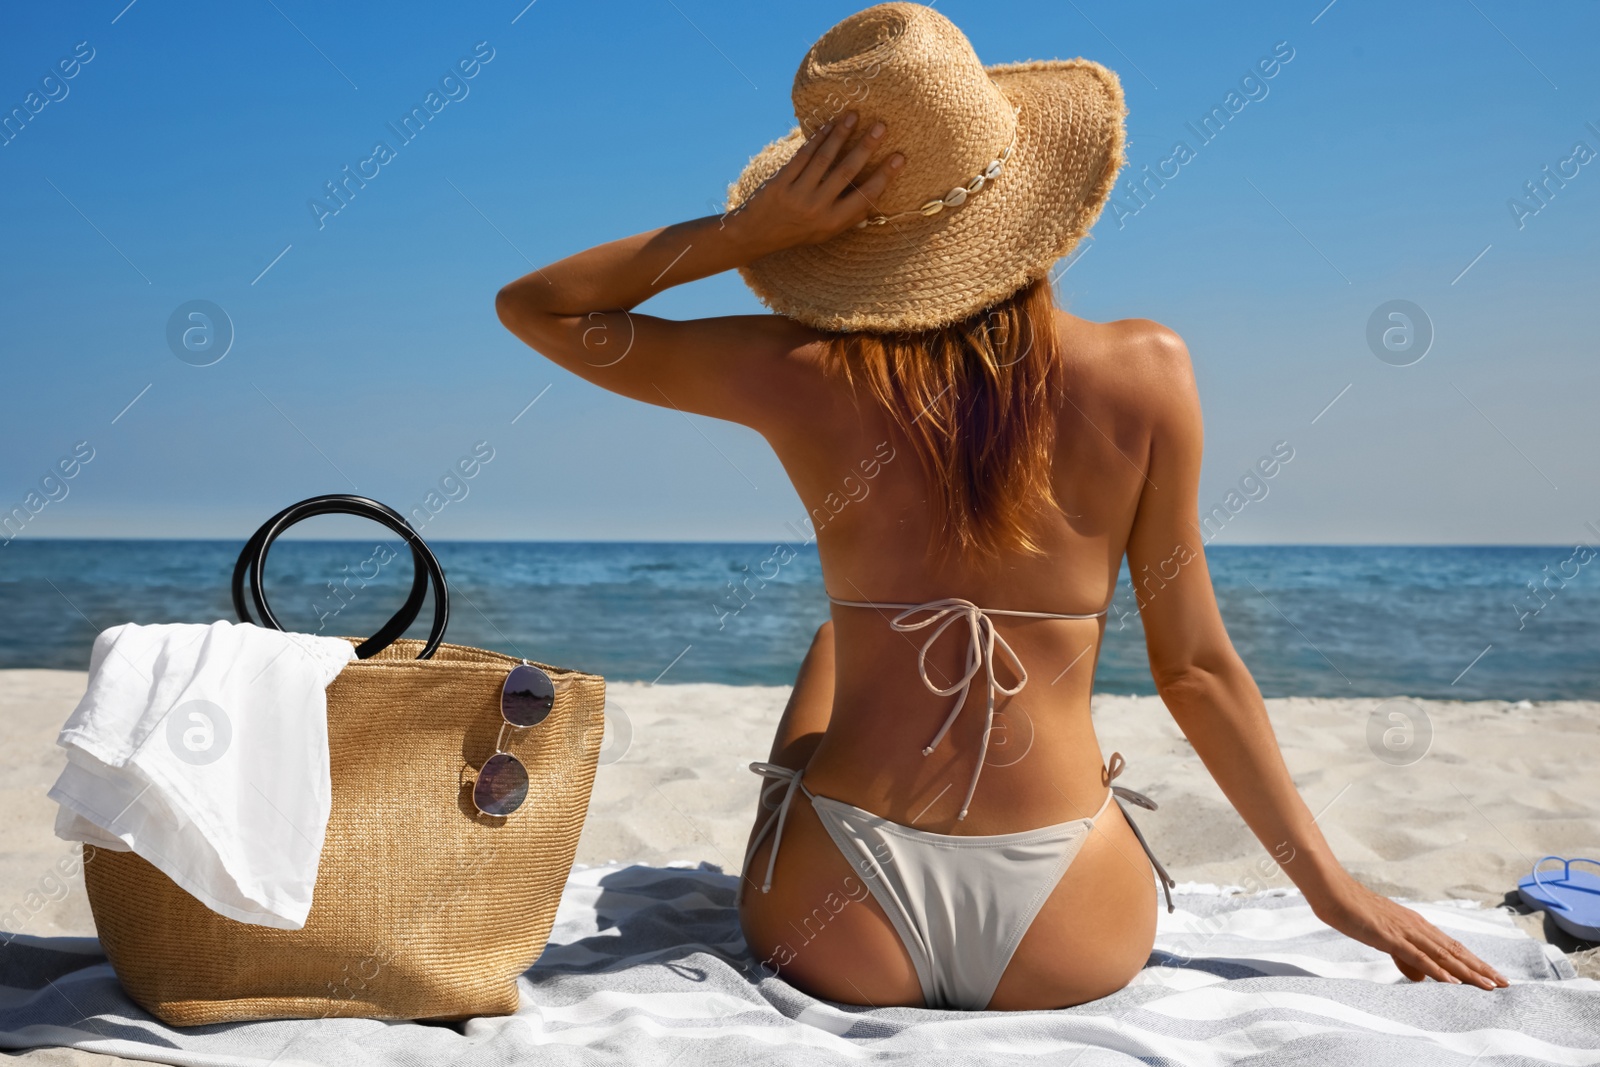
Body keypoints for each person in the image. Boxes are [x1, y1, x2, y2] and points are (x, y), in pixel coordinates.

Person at [495, 1, 1507, 1011]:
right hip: (1069, 920)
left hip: (840, 915)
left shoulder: (796, 369)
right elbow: (1193, 669)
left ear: (848, 235)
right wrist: (1334, 892)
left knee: (833, 647)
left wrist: (744, 232)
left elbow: (536, 306)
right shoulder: (1148, 370)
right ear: (1031, 197)